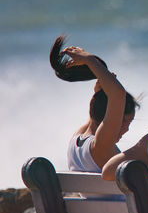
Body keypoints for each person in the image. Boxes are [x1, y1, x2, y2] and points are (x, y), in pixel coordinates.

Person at [49, 36, 139, 172]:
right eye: (124, 121)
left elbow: (95, 115)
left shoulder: (75, 141)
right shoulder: (100, 146)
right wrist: (89, 60)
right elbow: (118, 95)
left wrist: (98, 91)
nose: (126, 129)